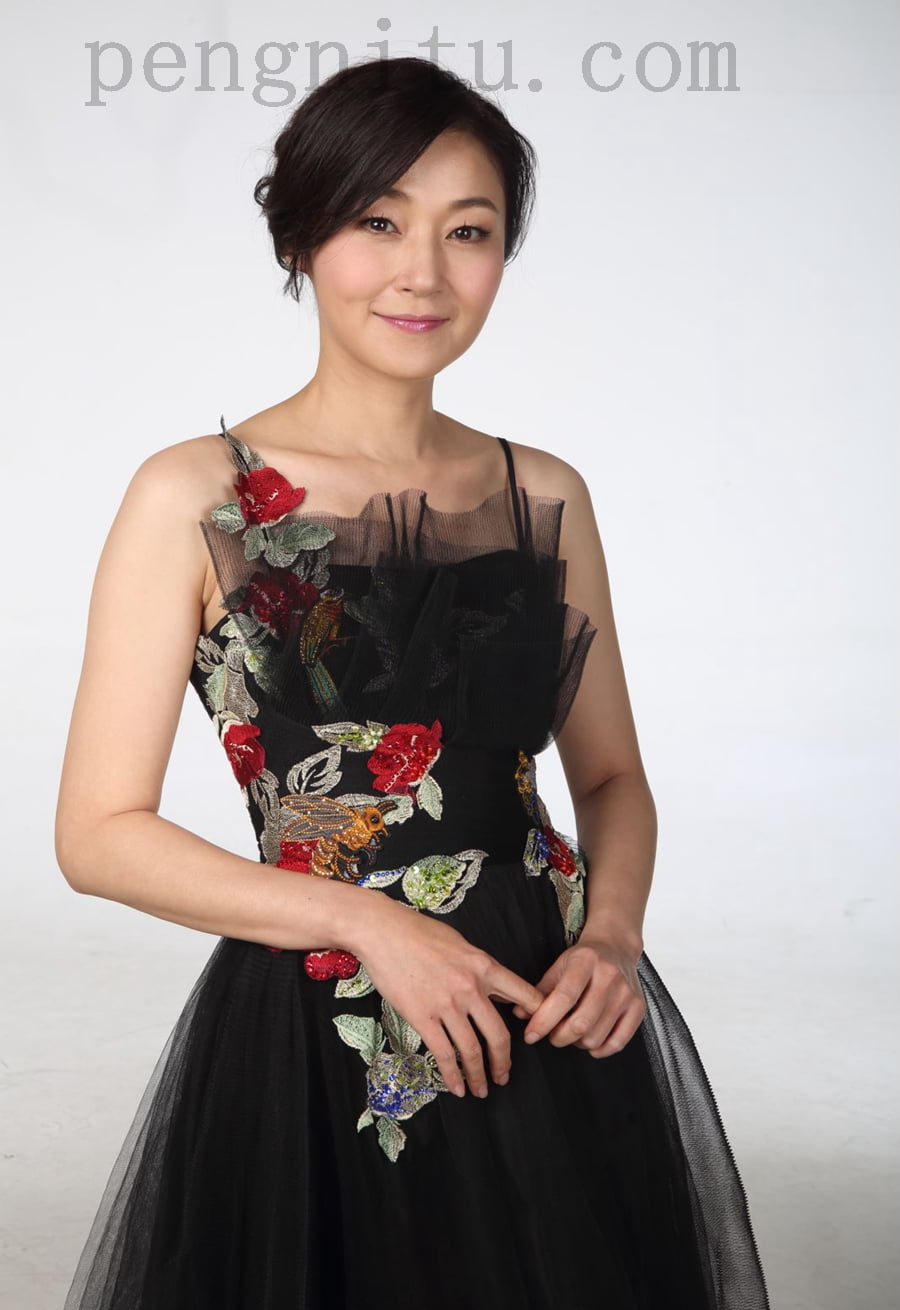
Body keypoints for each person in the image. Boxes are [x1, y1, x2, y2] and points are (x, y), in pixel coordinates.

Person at [56, 54, 770, 1310]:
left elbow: (610, 775)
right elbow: (97, 834)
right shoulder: (194, 495)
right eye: (379, 221)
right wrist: (372, 923)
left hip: (542, 1000)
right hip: (322, 1008)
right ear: (301, 235)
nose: (423, 272)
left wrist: (612, 936)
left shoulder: (541, 491)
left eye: (469, 230)